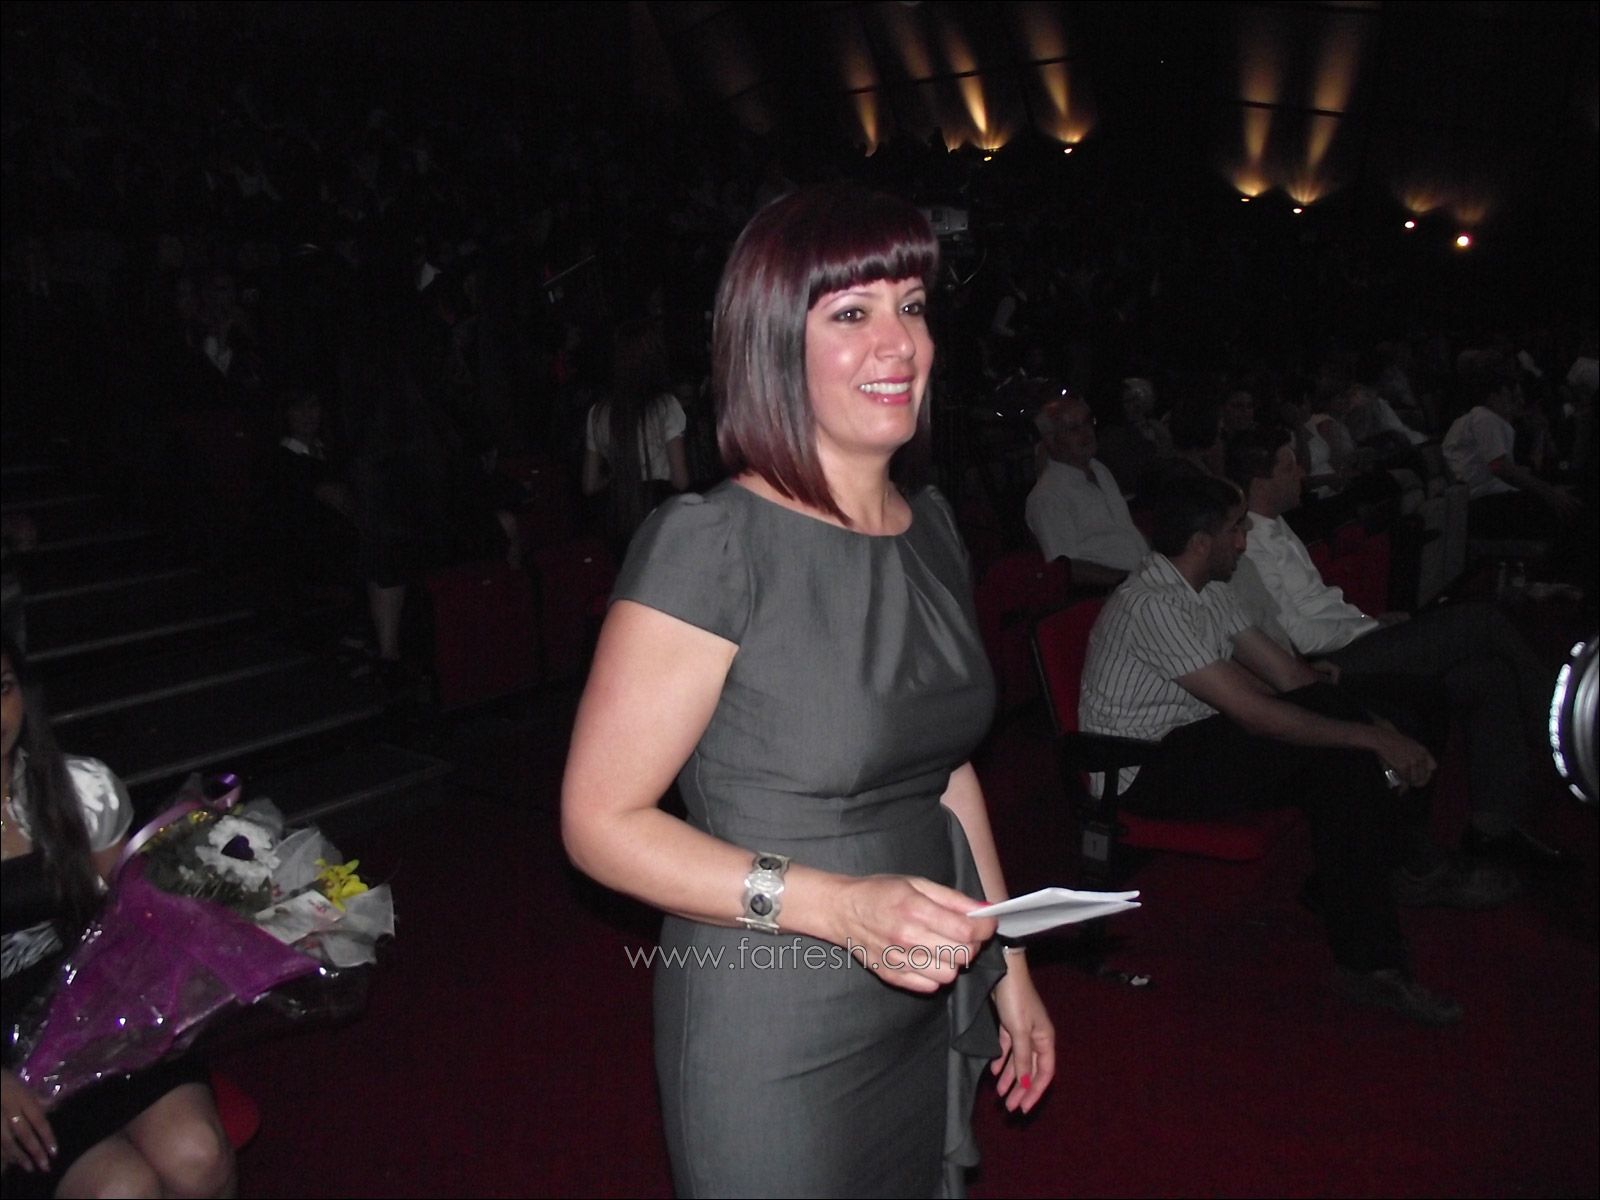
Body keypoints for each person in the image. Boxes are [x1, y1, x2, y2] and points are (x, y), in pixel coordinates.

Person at [561, 184, 1054, 1198]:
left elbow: (944, 771)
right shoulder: (711, 543)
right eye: (851, 313)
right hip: (772, 1009)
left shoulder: (933, 527)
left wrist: (1007, 964)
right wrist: (840, 908)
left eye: (911, 305)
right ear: (773, 347)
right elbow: (599, 823)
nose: (898, 342)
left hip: (922, 978)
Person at [1078, 475, 1463, 1025]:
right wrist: (1374, 737)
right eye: (1235, 530)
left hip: (1192, 738)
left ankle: (1374, 876)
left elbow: (1288, 676)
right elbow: (1255, 713)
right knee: (1340, 754)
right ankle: (1371, 957)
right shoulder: (1152, 605)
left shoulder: (1207, 589)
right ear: (1201, 543)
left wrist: (1373, 723)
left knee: (1391, 707)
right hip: (1139, 766)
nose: (1244, 541)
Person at [1224, 425, 1571, 872]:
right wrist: (1368, 630)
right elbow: (1298, 637)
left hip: (1351, 641)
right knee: (1480, 621)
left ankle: (1494, 827)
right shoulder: (1246, 544)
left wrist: (1371, 622)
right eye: (1290, 468)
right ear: (1260, 481)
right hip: (1320, 666)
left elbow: (1320, 605)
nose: (1302, 475)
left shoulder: (1279, 525)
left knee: (1486, 675)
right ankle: (1565, 731)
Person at [1, 638, 236, 1198]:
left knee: (198, 1154)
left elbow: (135, 911)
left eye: (2, 689)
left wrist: (223, 890)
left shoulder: (75, 788)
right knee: (120, 1190)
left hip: (93, 1007)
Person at [580, 319, 691, 555]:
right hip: (660, 515)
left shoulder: (598, 413)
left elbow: (589, 484)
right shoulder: (665, 406)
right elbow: (680, 479)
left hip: (621, 515)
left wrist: (618, 476)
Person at [1025, 392, 1148, 587]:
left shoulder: (1099, 470)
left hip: (1144, 579)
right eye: (1074, 428)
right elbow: (1066, 570)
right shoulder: (1048, 496)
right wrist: (1131, 582)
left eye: (1088, 423)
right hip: (1110, 593)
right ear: (1051, 440)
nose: (1087, 433)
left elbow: (1125, 530)